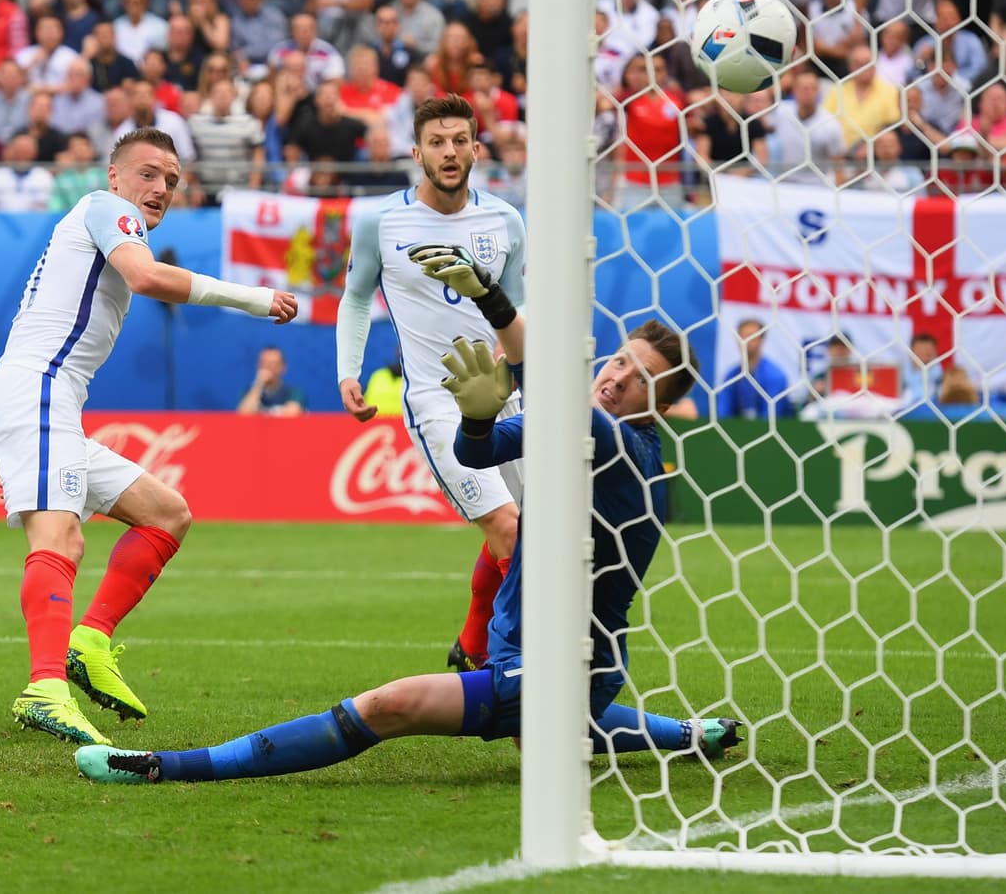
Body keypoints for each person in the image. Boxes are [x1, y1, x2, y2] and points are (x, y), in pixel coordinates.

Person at [74, 272, 740, 785]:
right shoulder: (577, 424)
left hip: (565, 662)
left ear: (662, 403)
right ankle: (689, 732)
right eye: (620, 359)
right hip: (525, 638)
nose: (617, 376)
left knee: (390, 705)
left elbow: (553, 388)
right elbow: (477, 453)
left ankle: (166, 765)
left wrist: (493, 301)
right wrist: (480, 418)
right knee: (552, 735)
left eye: (639, 376)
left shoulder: (629, 450)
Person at [0, 127, 299, 745]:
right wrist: (256, 299)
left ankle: (88, 642)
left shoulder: (109, 222)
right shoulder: (107, 209)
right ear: (114, 175)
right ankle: (44, 688)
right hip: (36, 391)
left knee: (166, 514)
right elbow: (147, 278)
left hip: (41, 401)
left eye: (172, 180)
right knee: (61, 537)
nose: (160, 189)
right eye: (148, 173)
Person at [335, 94, 522, 673]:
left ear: (475, 148)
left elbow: (520, 307)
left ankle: (470, 645)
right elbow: (357, 295)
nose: (449, 152)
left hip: (508, 395)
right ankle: (508, 666)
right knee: (510, 530)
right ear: (417, 152)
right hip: (438, 403)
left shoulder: (506, 221)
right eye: (437, 142)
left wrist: (511, 364)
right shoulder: (380, 222)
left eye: (459, 140)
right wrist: (349, 369)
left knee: (542, 530)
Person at [717, 319, 793, 419]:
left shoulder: (775, 375)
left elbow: (771, 416)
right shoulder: (731, 375)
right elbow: (723, 412)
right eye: (742, 336)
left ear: (761, 340)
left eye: (751, 336)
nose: (745, 341)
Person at [236, 346, 306, 416]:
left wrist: (262, 413)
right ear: (258, 366)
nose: (269, 368)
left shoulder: (293, 392)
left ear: (283, 367)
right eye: (264, 363)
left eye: (274, 364)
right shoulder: (250, 391)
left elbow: (293, 413)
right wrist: (259, 383)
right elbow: (243, 414)